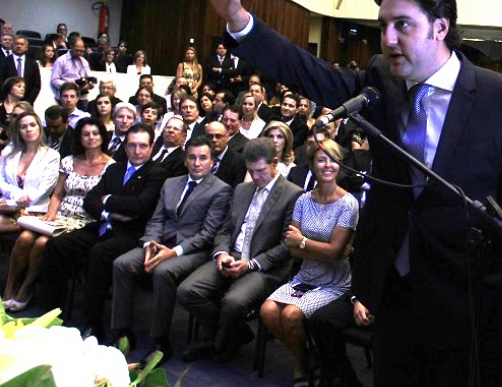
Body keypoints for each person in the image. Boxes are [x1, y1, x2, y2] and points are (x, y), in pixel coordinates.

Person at [194, 0, 502, 385]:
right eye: (383, 26)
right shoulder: (380, 81)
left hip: (468, 297)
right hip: (391, 288)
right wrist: (240, 22)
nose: (387, 39)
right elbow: (306, 71)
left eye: (402, 25)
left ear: (441, 27)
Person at [177, 138, 302, 362]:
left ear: (274, 163)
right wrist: (222, 253)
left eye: (260, 171)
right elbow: (225, 228)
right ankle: (234, 334)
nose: (255, 177)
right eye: (250, 171)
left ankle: (218, 344)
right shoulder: (243, 189)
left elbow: (287, 246)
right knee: (188, 290)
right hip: (232, 256)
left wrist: (251, 263)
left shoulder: (293, 194)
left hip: (264, 267)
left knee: (233, 302)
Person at [40, 123, 168, 339]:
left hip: (130, 234)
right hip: (102, 225)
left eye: (143, 146)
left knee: (99, 254)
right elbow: (90, 201)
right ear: (125, 147)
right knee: (56, 245)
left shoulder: (157, 173)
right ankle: (52, 313)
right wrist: (109, 213)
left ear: (151, 147)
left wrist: (108, 199)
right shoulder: (115, 168)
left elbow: (140, 206)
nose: (137, 151)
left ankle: (93, 324)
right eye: (132, 146)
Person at [110, 135, 231, 362]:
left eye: (202, 158)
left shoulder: (221, 190)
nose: (196, 163)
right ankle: (122, 331)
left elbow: (208, 234)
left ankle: (159, 340)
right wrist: (149, 244)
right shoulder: (171, 183)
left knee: (163, 272)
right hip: (159, 243)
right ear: (185, 160)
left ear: (212, 162)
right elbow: (156, 219)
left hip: (192, 251)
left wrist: (173, 252)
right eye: (192, 158)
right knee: (122, 263)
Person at [260, 139, 358, 384]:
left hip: (334, 281)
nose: (327, 165)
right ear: (312, 164)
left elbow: (334, 253)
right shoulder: (303, 200)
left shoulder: (348, 203)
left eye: (332, 160)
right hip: (305, 276)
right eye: (321, 159)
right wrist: (322, 248)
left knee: (292, 315)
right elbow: (293, 249)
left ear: (340, 165)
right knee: (268, 310)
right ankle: (307, 355)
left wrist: (304, 241)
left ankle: (300, 366)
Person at [2, 117, 112, 312]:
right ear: (79, 137)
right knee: (26, 237)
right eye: (86, 134)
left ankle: (26, 287)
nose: (90, 138)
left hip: (86, 222)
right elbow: (58, 194)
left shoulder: (111, 166)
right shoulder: (69, 161)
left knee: (42, 243)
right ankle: (10, 286)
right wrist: (51, 215)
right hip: (59, 215)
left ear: (102, 137)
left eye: (95, 133)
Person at [0, 111, 61, 236]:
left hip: (34, 210)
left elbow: (44, 189)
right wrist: (15, 195)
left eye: (32, 125)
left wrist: (14, 202)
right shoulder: (9, 152)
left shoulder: (51, 156)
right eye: (23, 126)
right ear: (19, 131)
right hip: (7, 207)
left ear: (39, 127)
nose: (28, 129)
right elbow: (1, 179)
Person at [205, 121, 247, 189]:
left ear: (227, 137)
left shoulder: (239, 162)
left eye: (218, 136)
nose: (214, 140)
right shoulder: (200, 159)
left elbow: (236, 191)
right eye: (210, 136)